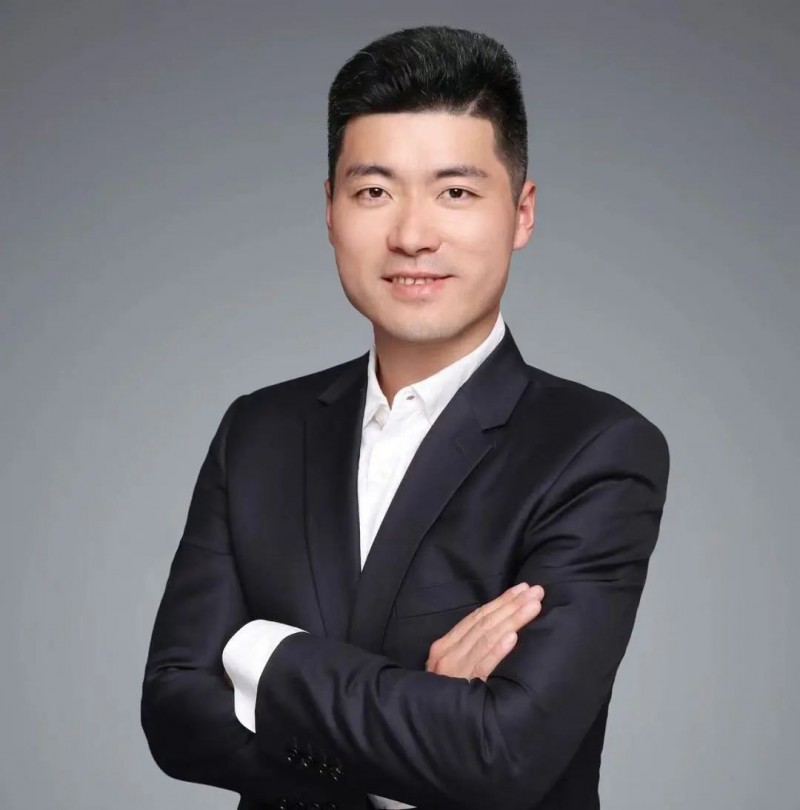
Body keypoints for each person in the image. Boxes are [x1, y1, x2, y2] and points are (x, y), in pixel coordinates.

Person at [141, 25, 670, 810]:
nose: (413, 236)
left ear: (521, 213)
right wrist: (419, 728)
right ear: (330, 210)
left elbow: (503, 754)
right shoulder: (258, 432)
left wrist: (263, 652)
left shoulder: (596, 450)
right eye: (373, 192)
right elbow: (175, 711)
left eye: (455, 192)